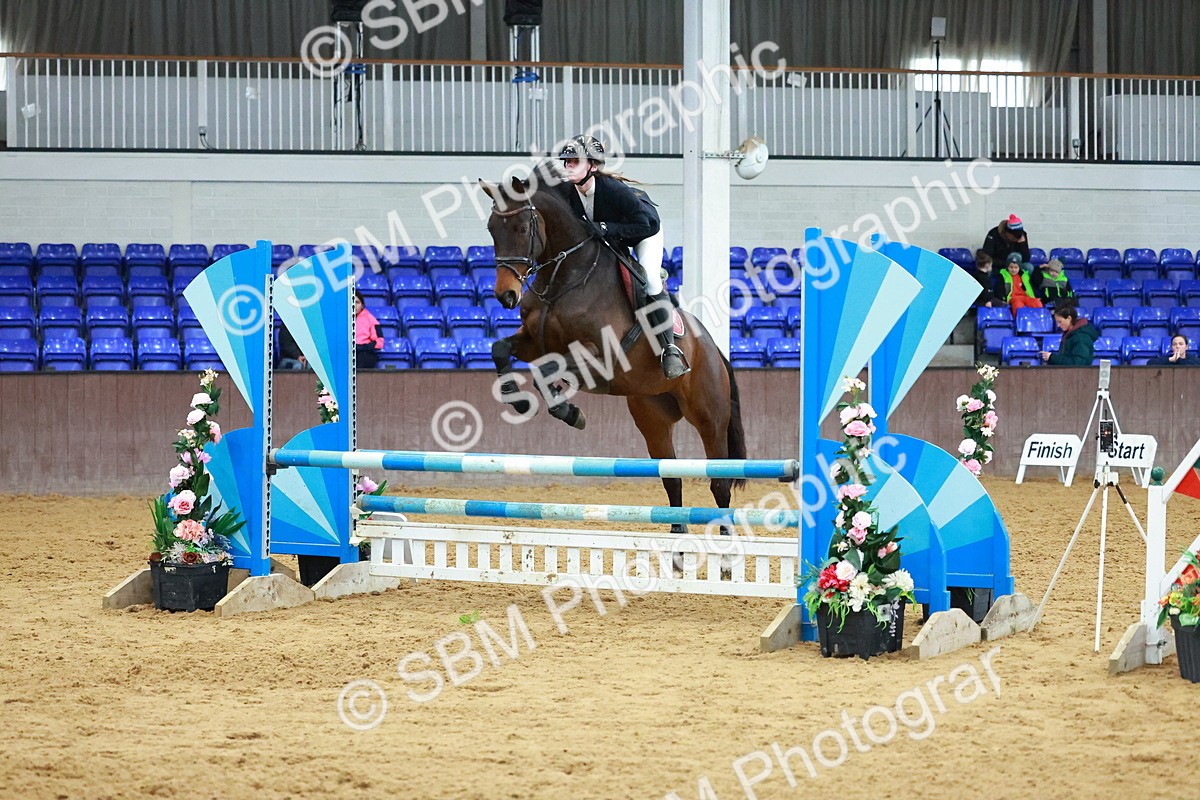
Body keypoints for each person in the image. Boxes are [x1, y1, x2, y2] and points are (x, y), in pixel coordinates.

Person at [554, 134, 687, 379]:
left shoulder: (614, 190)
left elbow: (645, 225)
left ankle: (670, 349)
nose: (568, 165)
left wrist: (606, 229)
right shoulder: (567, 192)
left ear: (592, 166)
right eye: (567, 161)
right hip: (612, 239)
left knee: (650, 281)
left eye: (575, 160)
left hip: (644, 233)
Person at [354, 290, 384, 369]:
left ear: (362, 305)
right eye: (351, 302)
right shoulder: (340, 319)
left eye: (357, 302)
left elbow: (379, 341)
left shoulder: (371, 319)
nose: (354, 305)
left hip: (364, 354)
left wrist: (363, 347)